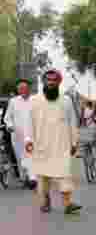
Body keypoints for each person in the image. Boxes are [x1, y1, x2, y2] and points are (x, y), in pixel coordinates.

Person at [25, 69, 81, 215]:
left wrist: (74, 142)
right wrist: (29, 140)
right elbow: (28, 122)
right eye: (48, 80)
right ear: (44, 81)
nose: (50, 82)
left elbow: (72, 123)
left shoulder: (66, 100)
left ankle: (68, 204)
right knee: (43, 177)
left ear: (58, 82)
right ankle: (45, 200)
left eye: (53, 80)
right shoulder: (34, 100)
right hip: (41, 144)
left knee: (64, 174)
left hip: (62, 144)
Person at [3, 78, 36, 189]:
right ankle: (24, 178)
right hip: (17, 135)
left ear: (28, 89)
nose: (22, 90)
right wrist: (10, 126)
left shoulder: (35, 101)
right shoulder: (13, 102)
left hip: (31, 134)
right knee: (20, 157)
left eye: (24, 88)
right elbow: (7, 118)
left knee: (30, 155)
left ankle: (32, 178)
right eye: (20, 88)